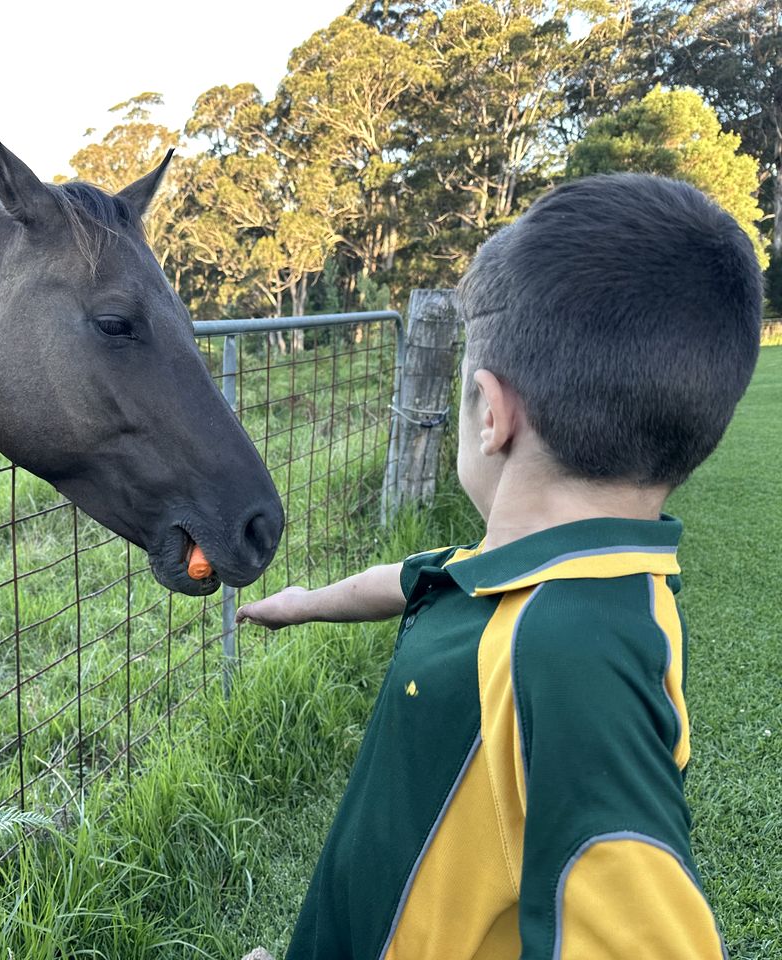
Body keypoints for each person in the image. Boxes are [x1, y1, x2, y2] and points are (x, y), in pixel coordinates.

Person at [237, 173, 762, 960]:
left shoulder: (568, 656)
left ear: (491, 412)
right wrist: (304, 602)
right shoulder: (536, 574)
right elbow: (411, 580)